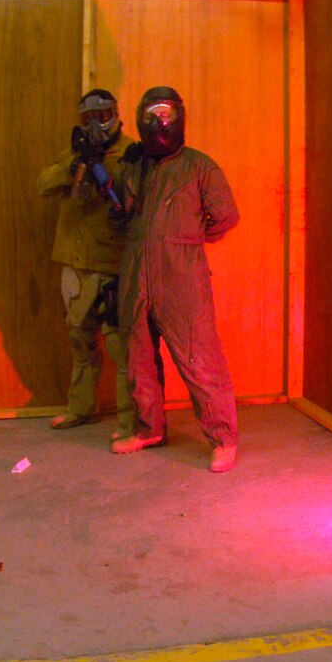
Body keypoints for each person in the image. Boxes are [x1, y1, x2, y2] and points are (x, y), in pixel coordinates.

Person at [108, 85, 242, 473]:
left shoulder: (200, 167)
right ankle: (149, 429)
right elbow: (118, 217)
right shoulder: (132, 166)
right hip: (136, 271)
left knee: (199, 356)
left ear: (180, 118)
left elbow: (226, 217)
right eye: (151, 115)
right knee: (138, 356)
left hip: (181, 274)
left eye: (165, 114)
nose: (158, 123)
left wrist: (183, 240)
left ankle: (223, 438)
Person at [37, 89, 134, 436]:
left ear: (116, 113)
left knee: (120, 348)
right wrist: (75, 163)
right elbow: (45, 184)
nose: (96, 123)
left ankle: (130, 421)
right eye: (88, 118)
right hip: (76, 263)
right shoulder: (74, 151)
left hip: (112, 264)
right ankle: (80, 408)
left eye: (103, 114)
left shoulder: (130, 153)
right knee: (81, 342)